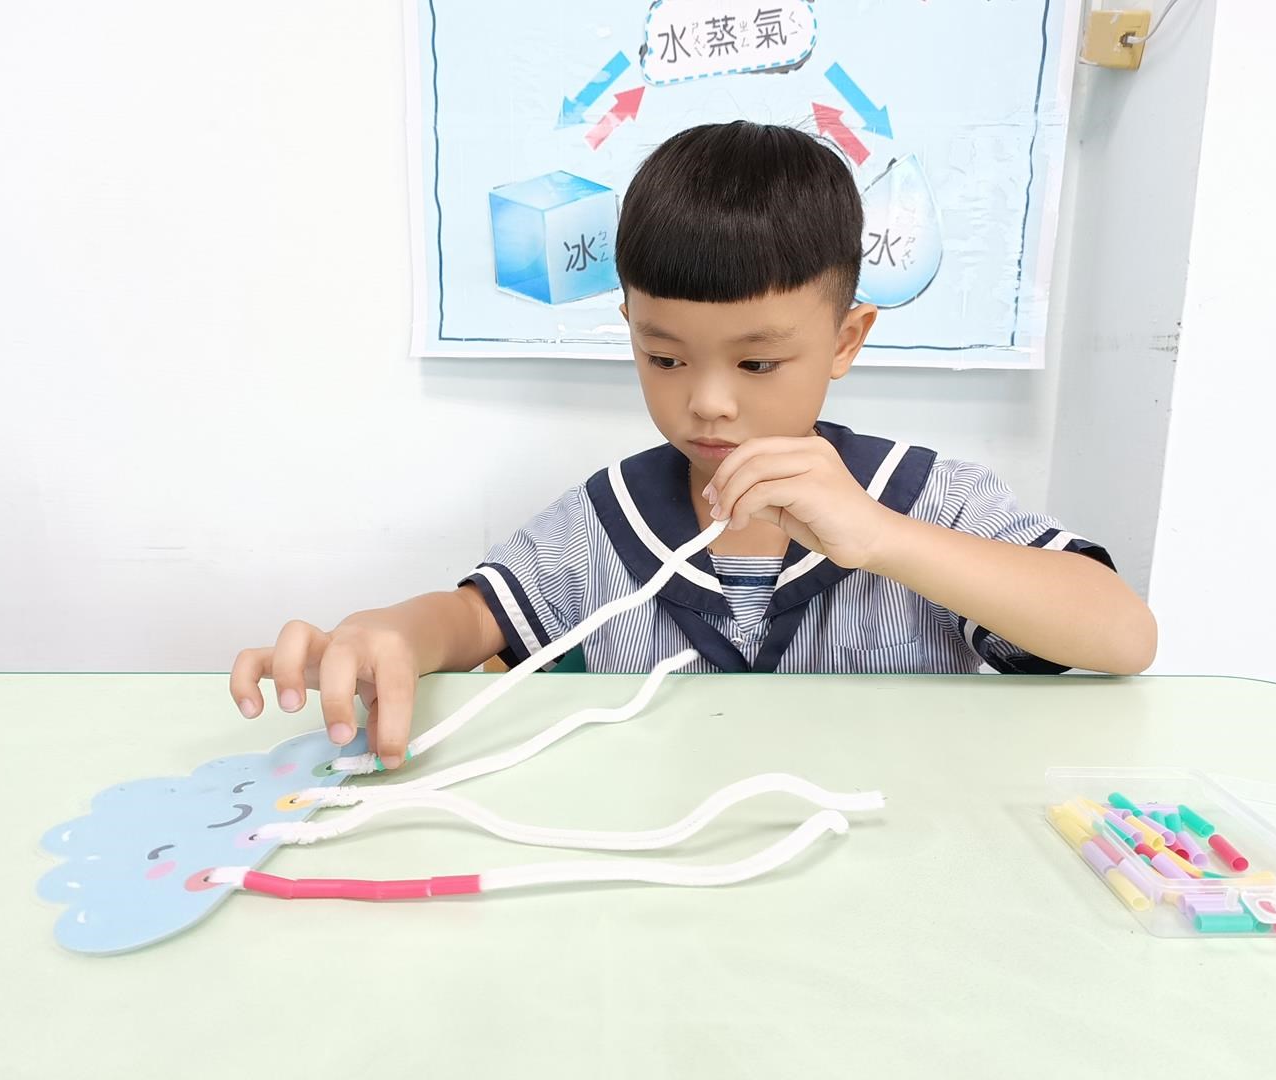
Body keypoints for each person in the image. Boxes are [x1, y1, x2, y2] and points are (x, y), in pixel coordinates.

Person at [230, 121, 1157, 766]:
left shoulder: (929, 499)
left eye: (758, 363)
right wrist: (393, 632)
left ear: (846, 341)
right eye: (664, 357)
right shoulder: (606, 519)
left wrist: (883, 538)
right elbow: (472, 620)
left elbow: (1122, 635)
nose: (707, 404)